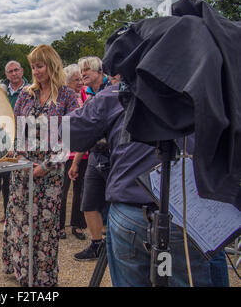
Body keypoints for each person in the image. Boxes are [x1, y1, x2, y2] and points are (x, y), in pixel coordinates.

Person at [67, 83, 228, 286]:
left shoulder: (119, 91)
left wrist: (28, 128)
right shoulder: (209, 83)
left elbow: (67, 133)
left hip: (152, 211)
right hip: (185, 213)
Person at [2, 44, 79, 287]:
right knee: (20, 223)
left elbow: (67, 139)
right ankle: (23, 273)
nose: (35, 71)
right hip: (22, 170)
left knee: (45, 227)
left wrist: (46, 165)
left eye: (40, 66)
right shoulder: (26, 94)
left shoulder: (67, 96)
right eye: (33, 66)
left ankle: (43, 278)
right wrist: (13, 154)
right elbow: (15, 129)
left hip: (50, 174)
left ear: (52, 65)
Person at [69, 56, 113, 261]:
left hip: (115, 154)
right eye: (81, 70)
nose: (83, 73)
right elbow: (87, 130)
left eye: (87, 70)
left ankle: (116, 246)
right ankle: (96, 245)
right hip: (95, 152)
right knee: (88, 202)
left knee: (116, 201)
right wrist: (76, 162)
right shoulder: (85, 93)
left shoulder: (112, 87)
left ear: (99, 71)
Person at [0, 61, 28, 224]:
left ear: (22, 70)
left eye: (16, 70)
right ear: (6, 74)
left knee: (11, 185)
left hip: (17, 142)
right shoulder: (2, 92)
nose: (14, 73)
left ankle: (9, 216)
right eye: (10, 71)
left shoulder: (29, 90)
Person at [59, 64, 87, 240]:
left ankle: (77, 224)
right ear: (67, 82)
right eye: (76, 79)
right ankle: (59, 225)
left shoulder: (84, 95)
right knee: (62, 190)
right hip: (64, 150)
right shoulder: (61, 98)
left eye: (81, 79)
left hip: (82, 151)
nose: (80, 82)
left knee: (80, 190)